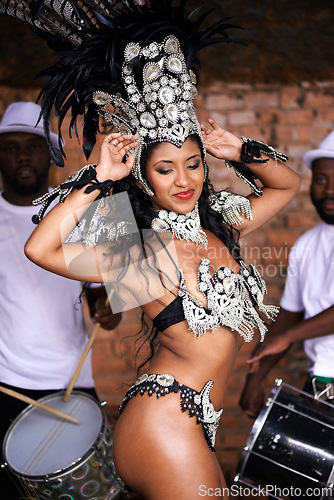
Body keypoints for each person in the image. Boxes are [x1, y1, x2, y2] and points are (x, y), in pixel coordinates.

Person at [0, 101, 121, 499]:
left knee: (90, 492)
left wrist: (106, 307)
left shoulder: (78, 211)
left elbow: (103, 299)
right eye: (10, 146)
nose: (21, 155)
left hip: (72, 381)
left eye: (32, 146)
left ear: (49, 153)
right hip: (8, 385)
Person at [239, 130, 334, 418]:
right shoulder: (307, 244)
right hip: (321, 386)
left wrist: (290, 335)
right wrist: (255, 377)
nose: (329, 189)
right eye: (321, 180)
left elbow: (289, 332)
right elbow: (287, 318)